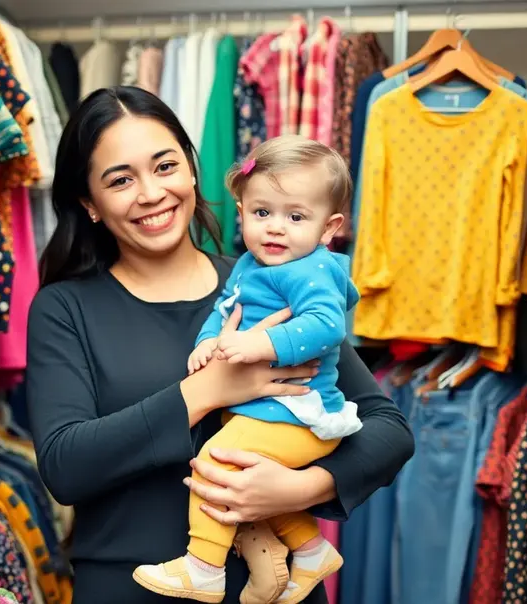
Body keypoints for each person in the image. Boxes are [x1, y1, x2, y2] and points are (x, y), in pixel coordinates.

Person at [27, 86, 414, 604]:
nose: (150, 193)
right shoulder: (64, 309)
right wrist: (207, 390)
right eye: (120, 180)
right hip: (130, 587)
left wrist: (302, 489)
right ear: (90, 204)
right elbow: (65, 468)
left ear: (191, 169)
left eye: (164, 167)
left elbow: (390, 431)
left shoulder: (269, 280)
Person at [133, 136, 365, 604]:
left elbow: (325, 325)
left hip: (300, 414)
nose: (275, 229)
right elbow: (226, 309)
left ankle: (202, 570)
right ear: (242, 212)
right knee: (248, 488)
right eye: (262, 213)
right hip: (267, 413)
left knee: (216, 467)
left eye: (295, 217)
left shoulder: (312, 271)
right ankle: (312, 549)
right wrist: (207, 345)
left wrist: (258, 343)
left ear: (328, 228)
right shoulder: (249, 264)